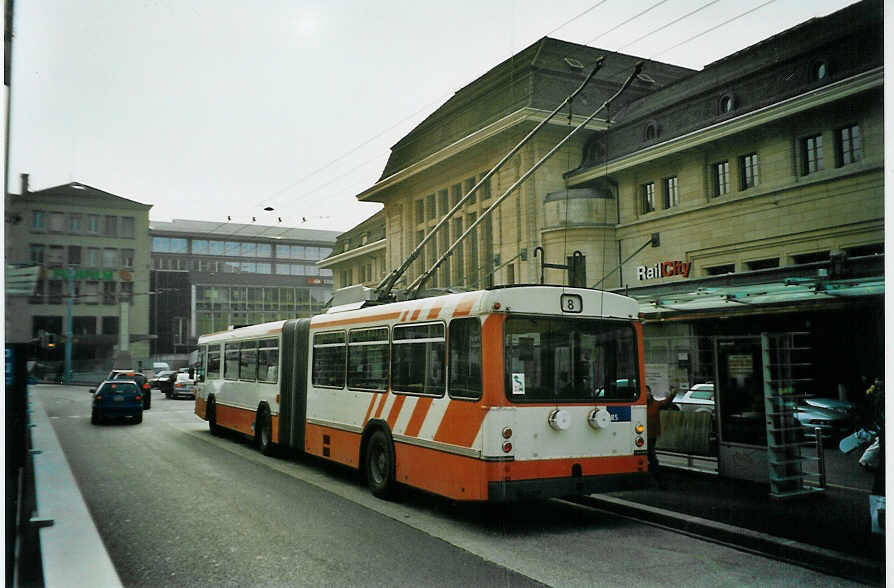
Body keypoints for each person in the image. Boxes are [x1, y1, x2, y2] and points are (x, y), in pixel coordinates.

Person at [647, 385, 676, 484]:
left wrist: (672, 394)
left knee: (650, 456)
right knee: (651, 457)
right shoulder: (639, 404)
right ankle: (659, 479)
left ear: (650, 392)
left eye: (647, 391)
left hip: (652, 435)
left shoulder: (655, 404)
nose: (646, 394)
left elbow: (665, 403)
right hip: (643, 436)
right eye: (644, 392)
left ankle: (653, 477)